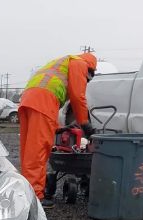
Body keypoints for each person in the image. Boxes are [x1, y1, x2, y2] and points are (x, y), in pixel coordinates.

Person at [19, 52, 97, 208]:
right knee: (38, 150)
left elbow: (46, 93)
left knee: (29, 151)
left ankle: (26, 193)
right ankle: (35, 197)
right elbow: (78, 96)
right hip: (43, 101)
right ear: (89, 69)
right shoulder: (79, 64)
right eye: (87, 79)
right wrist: (85, 124)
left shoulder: (62, 63)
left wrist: (59, 129)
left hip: (28, 99)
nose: (86, 82)